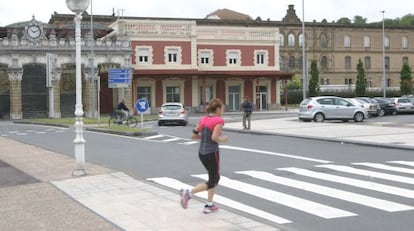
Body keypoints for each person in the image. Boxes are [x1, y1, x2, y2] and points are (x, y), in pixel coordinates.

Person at [180, 98, 229, 214]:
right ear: (217, 109)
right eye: (222, 108)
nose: (223, 110)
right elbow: (214, 138)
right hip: (212, 153)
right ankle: (188, 193)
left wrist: (203, 137)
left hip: (202, 153)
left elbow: (194, 134)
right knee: (214, 180)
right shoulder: (219, 121)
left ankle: (209, 205)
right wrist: (223, 139)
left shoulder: (204, 119)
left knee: (213, 178)